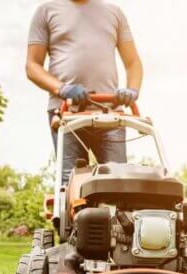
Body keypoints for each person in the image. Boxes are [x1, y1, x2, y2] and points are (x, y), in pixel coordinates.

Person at [26, 0, 143, 184]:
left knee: (118, 182)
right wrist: (62, 88)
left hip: (110, 114)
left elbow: (133, 62)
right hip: (67, 114)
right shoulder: (46, 11)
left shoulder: (114, 13)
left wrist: (132, 90)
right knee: (71, 183)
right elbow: (32, 66)